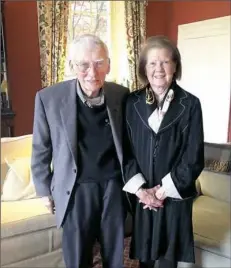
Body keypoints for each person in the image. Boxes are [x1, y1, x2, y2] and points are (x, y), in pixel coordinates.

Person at [31, 34, 163, 268]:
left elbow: (131, 143)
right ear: (72, 66)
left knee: (114, 256)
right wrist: (44, 190)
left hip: (114, 188)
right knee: (77, 258)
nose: (92, 72)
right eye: (83, 65)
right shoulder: (48, 98)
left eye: (99, 63)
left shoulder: (121, 95)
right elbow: (41, 148)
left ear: (108, 65)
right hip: (75, 191)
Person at [123, 36, 204, 268]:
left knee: (168, 261)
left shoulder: (191, 104)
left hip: (173, 197)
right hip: (143, 196)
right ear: (144, 68)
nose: (159, 69)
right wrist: (142, 192)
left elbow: (193, 156)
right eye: (152, 63)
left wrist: (160, 193)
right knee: (145, 259)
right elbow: (125, 151)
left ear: (175, 66)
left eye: (165, 62)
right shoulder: (131, 102)